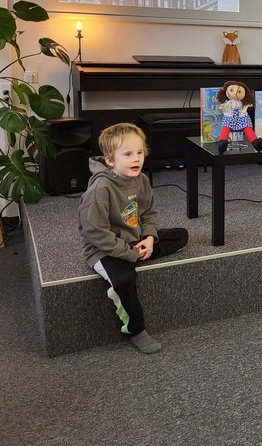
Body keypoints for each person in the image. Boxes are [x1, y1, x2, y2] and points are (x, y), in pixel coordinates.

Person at [78, 123, 188, 354]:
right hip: (104, 248)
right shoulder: (100, 189)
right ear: (110, 160)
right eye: (127, 154)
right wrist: (128, 253)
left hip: (134, 238)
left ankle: (142, 253)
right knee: (123, 282)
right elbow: (95, 232)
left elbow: (149, 213)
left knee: (180, 236)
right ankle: (136, 330)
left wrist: (149, 238)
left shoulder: (142, 180)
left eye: (139, 152)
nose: (136, 158)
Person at [216, 80, 262, 154]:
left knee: (247, 128)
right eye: (231, 90)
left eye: (239, 91)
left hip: (242, 118)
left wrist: (249, 104)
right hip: (230, 118)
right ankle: (222, 142)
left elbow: (247, 106)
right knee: (225, 128)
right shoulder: (229, 103)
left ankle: (255, 142)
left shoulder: (243, 103)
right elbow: (225, 106)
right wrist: (223, 106)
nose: (235, 93)